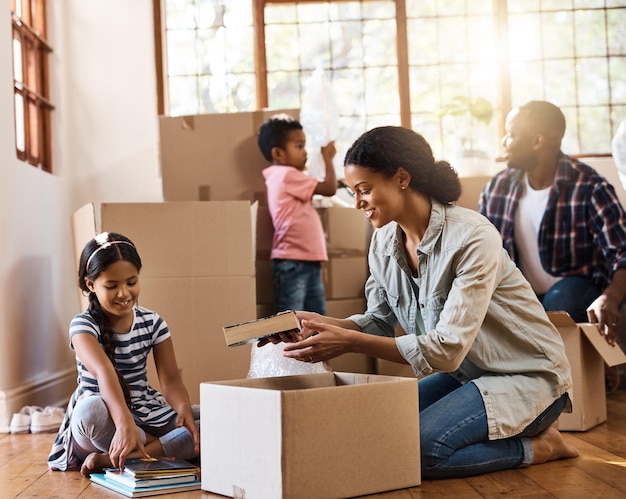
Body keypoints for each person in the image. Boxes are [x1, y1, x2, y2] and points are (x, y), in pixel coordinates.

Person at [262, 125, 578, 479]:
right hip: (468, 375)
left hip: (528, 376)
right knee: (379, 431)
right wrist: (315, 324)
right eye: (353, 192)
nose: (357, 204)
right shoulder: (383, 242)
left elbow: (446, 350)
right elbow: (376, 321)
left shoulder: (473, 237)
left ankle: (540, 446)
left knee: (422, 450)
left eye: (364, 190)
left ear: (401, 178)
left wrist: (347, 341)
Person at [48, 232, 199, 475]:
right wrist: (123, 422)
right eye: (112, 286)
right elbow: (104, 372)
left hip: (145, 410)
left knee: (215, 415)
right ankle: (165, 446)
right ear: (91, 285)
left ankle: (116, 459)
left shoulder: (153, 322)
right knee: (91, 412)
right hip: (103, 418)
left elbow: (170, 379)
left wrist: (182, 409)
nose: (124, 294)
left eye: (131, 282)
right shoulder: (82, 325)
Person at [478, 101, 626, 350]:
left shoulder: (590, 187)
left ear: (537, 141)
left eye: (512, 135)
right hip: (521, 296)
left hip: (577, 294)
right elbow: (480, 253)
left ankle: (585, 371)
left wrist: (609, 298)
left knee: (562, 298)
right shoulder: (497, 189)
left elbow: (622, 253)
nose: (504, 142)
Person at [258, 114, 337, 314]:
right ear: (278, 153)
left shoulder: (285, 177)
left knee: (314, 321)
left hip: (304, 260)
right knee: (293, 324)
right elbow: (329, 188)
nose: (305, 153)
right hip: (293, 262)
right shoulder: (286, 175)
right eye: (299, 146)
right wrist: (327, 159)